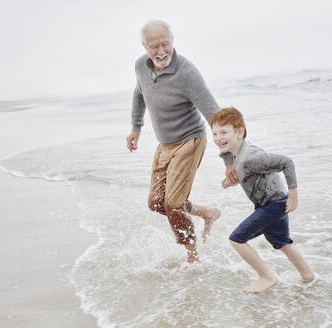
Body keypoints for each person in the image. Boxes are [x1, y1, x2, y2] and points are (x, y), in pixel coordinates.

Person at [126, 20, 236, 263]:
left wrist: (229, 160)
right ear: (144, 45)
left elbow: (215, 116)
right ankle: (208, 213)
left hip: (190, 140)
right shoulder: (140, 67)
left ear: (173, 40)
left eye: (165, 44)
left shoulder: (186, 73)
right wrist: (136, 127)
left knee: (173, 204)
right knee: (157, 203)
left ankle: (192, 256)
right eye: (154, 46)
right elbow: (138, 93)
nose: (161, 51)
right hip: (164, 144)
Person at [211, 107, 315, 294]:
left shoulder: (250, 157)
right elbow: (250, 176)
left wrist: (294, 196)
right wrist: (230, 182)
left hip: (273, 205)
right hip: (274, 201)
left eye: (224, 132)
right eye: (215, 133)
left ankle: (266, 276)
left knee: (237, 239)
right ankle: (308, 276)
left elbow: (286, 162)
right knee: (282, 242)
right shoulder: (237, 151)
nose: (218, 138)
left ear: (240, 131)